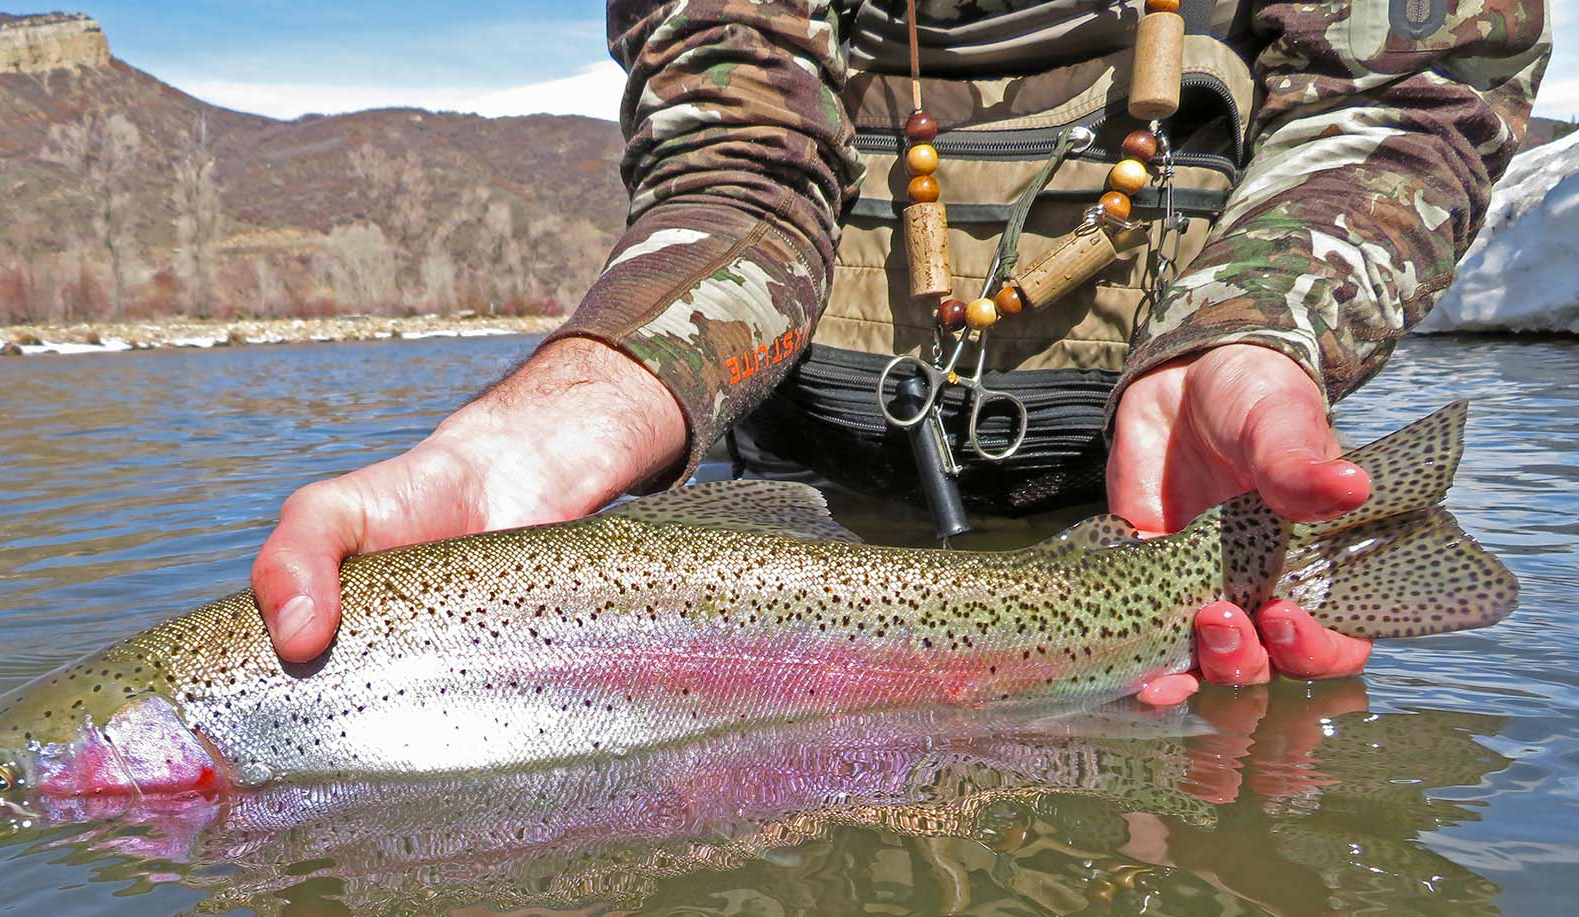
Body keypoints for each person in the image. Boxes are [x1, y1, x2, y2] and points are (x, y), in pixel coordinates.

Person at [252, 0, 1548, 706]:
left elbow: (1402, 106)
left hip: (1192, 526)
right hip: (786, 568)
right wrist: (542, 431)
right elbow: (741, 172)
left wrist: (1258, 334)